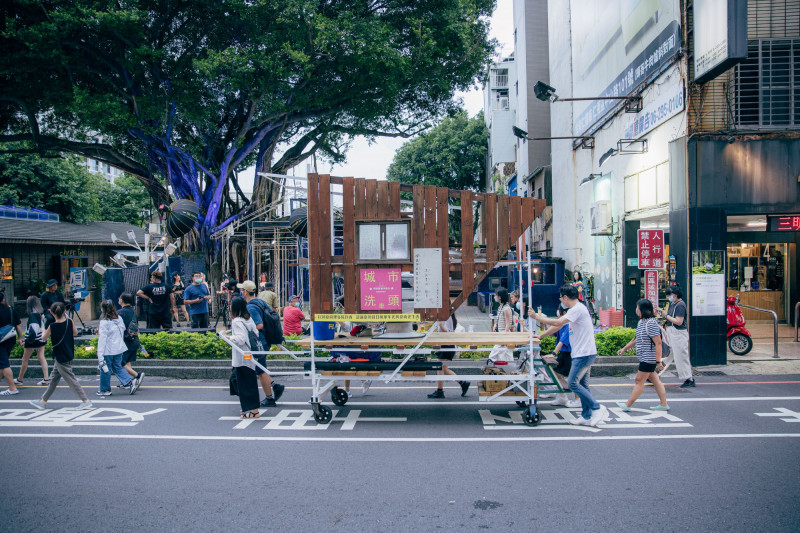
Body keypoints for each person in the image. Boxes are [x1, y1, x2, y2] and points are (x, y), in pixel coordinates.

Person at [531, 285, 608, 427]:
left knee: (572, 383)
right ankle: (586, 416)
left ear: (565, 297)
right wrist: (541, 336)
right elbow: (558, 326)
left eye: (561, 298)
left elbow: (558, 322)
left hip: (583, 353)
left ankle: (597, 407)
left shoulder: (578, 309)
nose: (561, 301)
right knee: (583, 385)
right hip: (583, 352)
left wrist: (537, 317)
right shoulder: (574, 310)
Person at [28, 302, 92, 410]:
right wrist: (67, 319)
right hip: (68, 353)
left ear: (52, 313)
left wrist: (43, 330)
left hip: (59, 355)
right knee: (53, 378)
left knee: (71, 379)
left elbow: (43, 338)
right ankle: (43, 401)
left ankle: (85, 400)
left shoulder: (52, 326)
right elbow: (75, 332)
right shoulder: (69, 321)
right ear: (64, 312)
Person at [616, 299, 670, 411]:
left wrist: (658, 361)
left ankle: (628, 404)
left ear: (642, 310)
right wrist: (624, 348)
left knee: (639, 381)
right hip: (644, 357)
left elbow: (658, 343)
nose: (636, 310)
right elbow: (636, 339)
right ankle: (664, 404)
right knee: (655, 380)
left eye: (637, 308)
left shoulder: (651, 323)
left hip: (649, 358)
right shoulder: (641, 322)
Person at [239, 280, 285, 407]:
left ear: (246, 292)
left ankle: (269, 398)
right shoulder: (260, 302)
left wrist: (246, 328)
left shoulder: (251, 307)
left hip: (260, 342)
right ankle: (275, 386)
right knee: (260, 368)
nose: (241, 292)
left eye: (242, 290)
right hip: (266, 339)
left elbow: (259, 325)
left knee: (260, 370)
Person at [538, 305, 581, 408]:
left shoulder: (568, 326)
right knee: (555, 371)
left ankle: (578, 399)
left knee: (573, 377)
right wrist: (545, 325)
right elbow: (552, 333)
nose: (557, 312)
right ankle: (562, 395)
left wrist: (553, 354)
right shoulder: (561, 326)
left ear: (564, 313)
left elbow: (562, 341)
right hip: (563, 353)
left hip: (569, 354)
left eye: (559, 311)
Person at [227, 296, 261, 419]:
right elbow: (256, 333)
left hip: (242, 357)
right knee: (240, 381)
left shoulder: (236, 321)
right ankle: (250, 407)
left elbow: (240, 339)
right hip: (249, 355)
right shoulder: (248, 319)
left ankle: (252, 410)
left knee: (244, 383)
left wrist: (228, 338)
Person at [96, 300, 140, 396]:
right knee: (117, 367)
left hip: (108, 350)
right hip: (119, 348)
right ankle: (129, 382)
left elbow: (102, 339)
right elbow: (122, 330)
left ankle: (105, 390)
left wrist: (100, 354)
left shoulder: (104, 322)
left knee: (105, 369)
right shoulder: (118, 318)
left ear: (103, 309)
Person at [427, 314, 470, 399]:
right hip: (446, 344)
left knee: (440, 368)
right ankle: (463, 383)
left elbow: (446, 331)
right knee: (444, 369)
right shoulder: (447, 316)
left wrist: (439, 323)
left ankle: (440, 391)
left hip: (447, 345)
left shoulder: (447, 317)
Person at [660, 285, 694, 388]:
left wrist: (666, 316)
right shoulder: (673, 304)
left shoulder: (680, 305)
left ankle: (689, 379)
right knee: (669, 354)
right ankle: (656, 373)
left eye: (669, 295)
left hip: (678, 334)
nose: (668, 297)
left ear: (675, 294)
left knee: (681, 356)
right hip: (672, 332)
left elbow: (679, 321)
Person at [15, 296, 50, 386]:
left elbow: (33, 329)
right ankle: (46, 378)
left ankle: (20, 379)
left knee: (25, 359)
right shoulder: (40, 314)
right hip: (41, 339)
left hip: (33, 341)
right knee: (41, 357)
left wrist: (28, 340)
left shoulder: (32, 315)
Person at [117, 293, 144, 389]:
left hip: (125, 341)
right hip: (134, 339)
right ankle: (129, 381)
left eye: (120, 298)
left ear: (122, 300)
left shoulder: (119, 313)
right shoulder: (134, 311)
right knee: (127, 361)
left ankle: (137, 375)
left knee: (119, 362)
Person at [0, 291, 24, 396]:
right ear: (3, 299)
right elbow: (18, 325)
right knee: (2, 363)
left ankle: (12, 388)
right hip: (10, 339)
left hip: (0, 342)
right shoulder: (10, 310)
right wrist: (20, 338)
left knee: (4, 364)